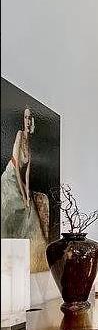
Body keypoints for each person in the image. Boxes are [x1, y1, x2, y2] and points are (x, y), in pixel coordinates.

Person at [1, 107, 49, 270]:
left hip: (20, 179)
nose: (28, 121)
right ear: (24, 119)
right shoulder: (20, 135)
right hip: (10, 178)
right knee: (15, 206)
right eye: (26, 117)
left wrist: (28, 194)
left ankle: (35, 260)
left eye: (30, 118)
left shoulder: (30, 145)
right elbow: (15, 167)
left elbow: (26, 174)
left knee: (30, 210)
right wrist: (23, 193)